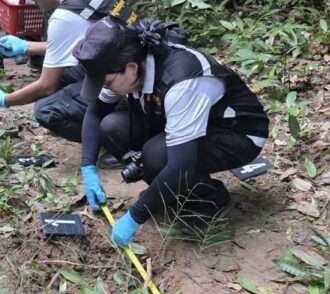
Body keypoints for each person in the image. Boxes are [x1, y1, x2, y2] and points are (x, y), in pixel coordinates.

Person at [72, 18, 269, 247]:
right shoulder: (127, 65)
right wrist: (88, 167)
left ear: (131, 68)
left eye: (106, 83)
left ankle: (207, 201)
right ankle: (171, 191)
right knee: (113, 128)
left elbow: (180, 166)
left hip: (237, 134)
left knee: (157, 156)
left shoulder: (181, 81)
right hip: (179, 120)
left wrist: (134, 217)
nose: (104, 88)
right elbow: (95, 113)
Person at [0, 0, 137, 143]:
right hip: (133, 70)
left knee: (45, 109)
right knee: (64, 72)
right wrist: (26, 47)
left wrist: (6, 99)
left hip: (123, 85)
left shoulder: (64, 17)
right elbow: (79, 42)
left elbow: (46, 86)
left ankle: (114, 137)